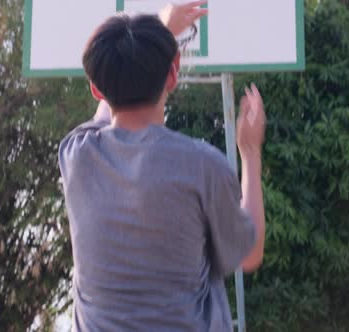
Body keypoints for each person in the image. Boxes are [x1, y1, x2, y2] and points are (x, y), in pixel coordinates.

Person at [58, 2, 267, 331]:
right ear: (173, 73)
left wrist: (158, 32)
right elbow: (249, 254)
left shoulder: (76, 156)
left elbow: (105, 105)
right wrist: (250, 152)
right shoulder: (203, 165)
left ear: (96, 88)